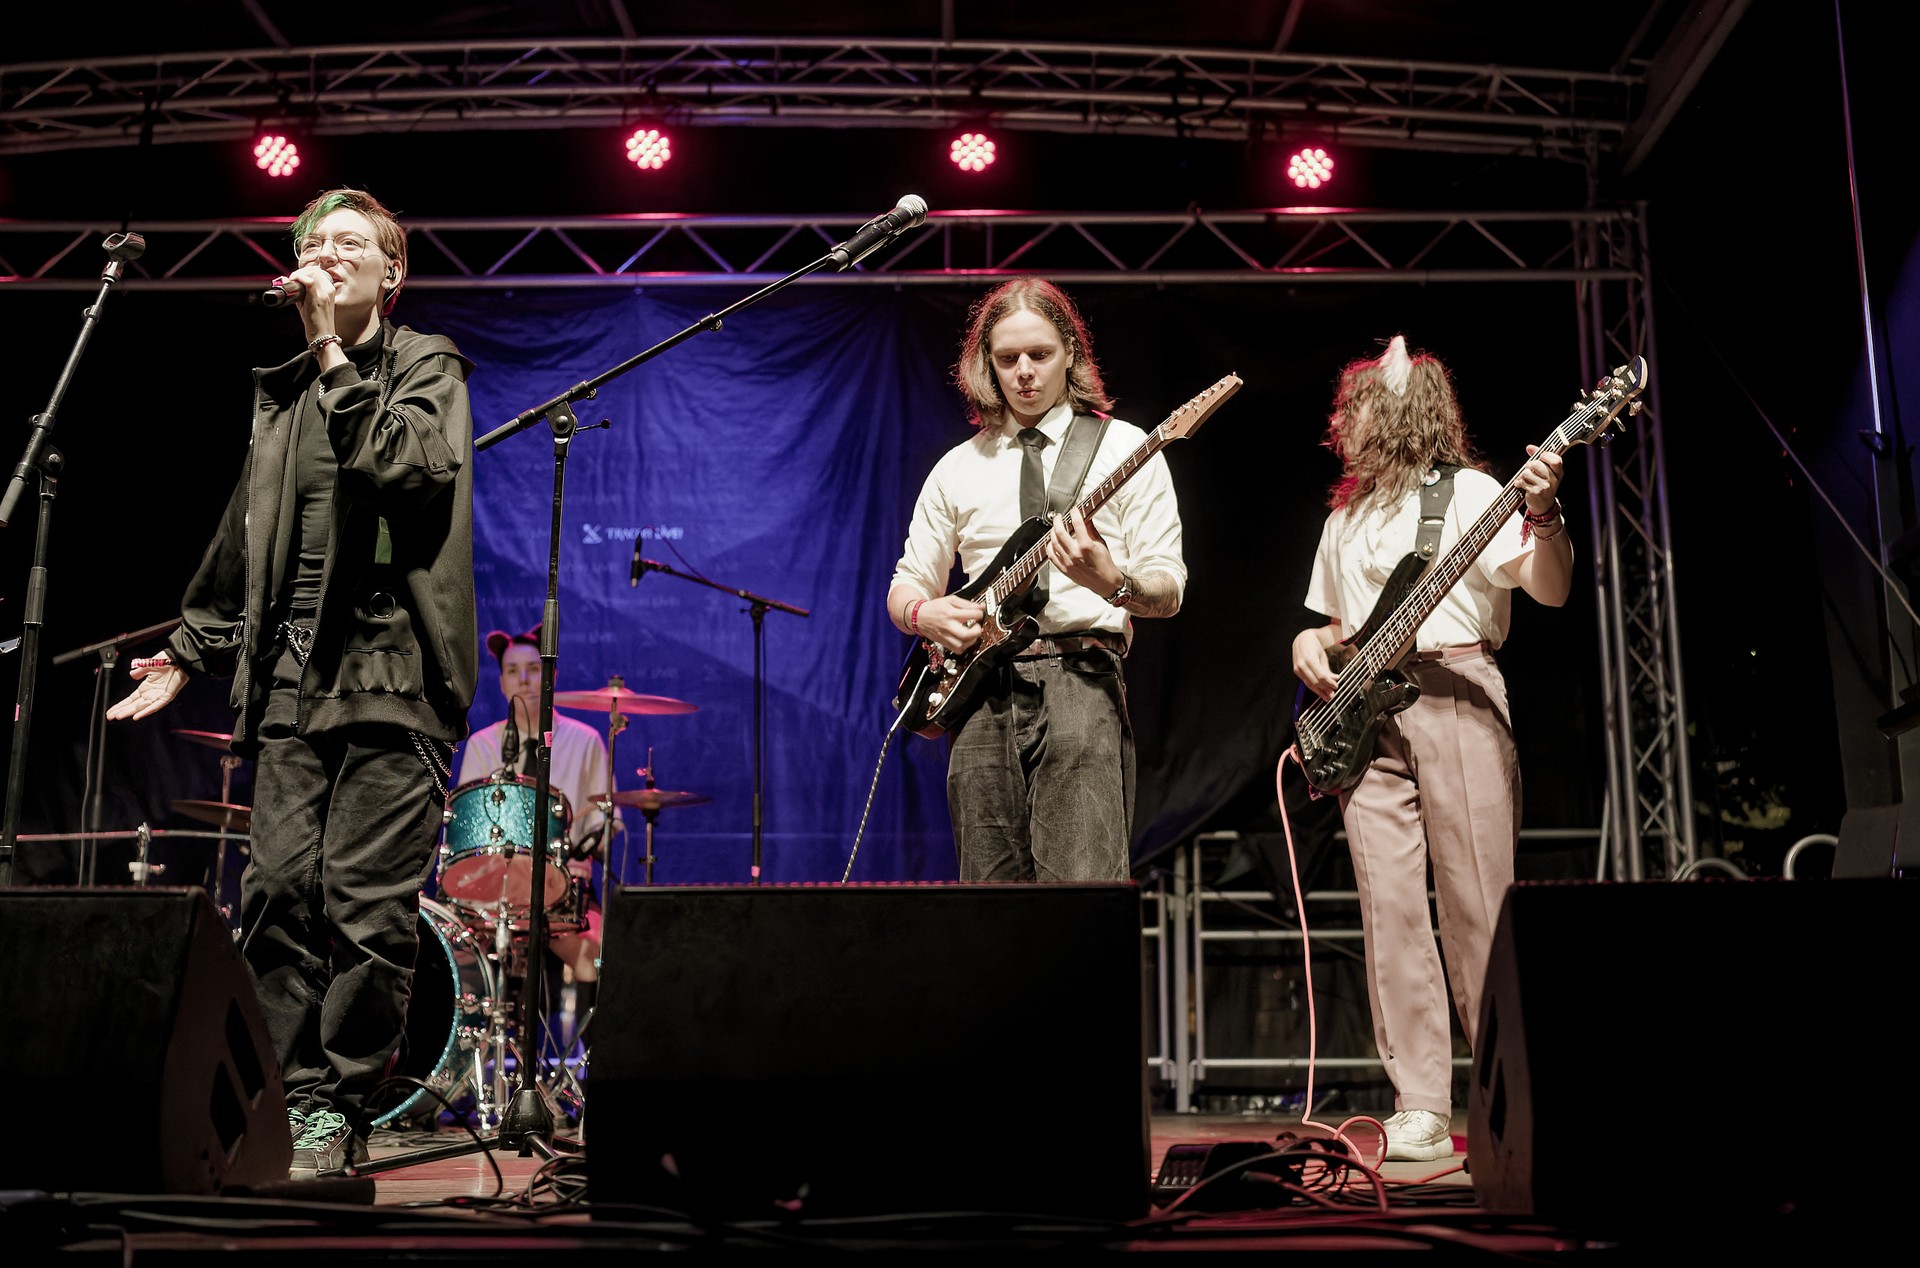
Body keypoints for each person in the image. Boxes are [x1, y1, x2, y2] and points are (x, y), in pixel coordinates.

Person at [108, 187, 476, 1178]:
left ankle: (334, 1105)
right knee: (274, 894)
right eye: (317, 241)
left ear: (393, 273)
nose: (330, 252)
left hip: (391, 675)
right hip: (287, 678)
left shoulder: (426, 366)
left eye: (353, 242)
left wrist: (326, 348)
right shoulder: (286, 394)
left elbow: (402, 470)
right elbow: (246, 527)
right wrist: (191, 646)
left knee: (364, 907)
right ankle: (274, 1098)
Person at [1289, 335, 1572, 1162]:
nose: (1342, 424)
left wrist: (1545, 515)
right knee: (1391, 909)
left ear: (1400, 414)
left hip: (1456, 691)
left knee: (1476, 901)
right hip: (1364, 712)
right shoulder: (1343, 520)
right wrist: (1310, 643)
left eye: (1356, 409)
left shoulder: (1475, 492)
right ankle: (1419, 1104)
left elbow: (1549, 588)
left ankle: (1508, 1093)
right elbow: (1345, 628)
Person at [888, 278, 1186, 882]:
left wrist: (1113, 582)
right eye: (1007, 358)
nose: (1024, 371)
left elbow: (1169, 588)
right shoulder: (957, 467)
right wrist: (925, 614)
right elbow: (907, 584)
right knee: (988, 905)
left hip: (1082, 679)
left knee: (1081, 900)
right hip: (980, 691)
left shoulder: (1127, 449)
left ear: (1070, 351)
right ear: (987, 364)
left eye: (1040, 354)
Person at [452, 624, 612, 990]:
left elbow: (606, 821)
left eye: (533, 669)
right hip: (494, 892)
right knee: (455, 958)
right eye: (512, 671)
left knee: (598, 959)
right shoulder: (482, 744)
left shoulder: (585, 741)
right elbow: (466, 827)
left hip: (563, 889)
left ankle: (585, 1028)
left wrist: (584, 851)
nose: (523, 680)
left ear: (551, 676)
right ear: (502, 683)